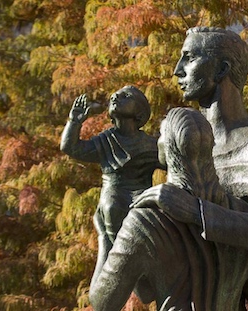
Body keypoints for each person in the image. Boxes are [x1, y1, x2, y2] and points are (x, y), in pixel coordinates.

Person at [132, 27, 248, 310]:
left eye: (189, 58)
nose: (178, 70)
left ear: (221, 69)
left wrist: (195, 212)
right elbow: (148, 290)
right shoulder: (187, 150)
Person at [90, 107, 248, 311]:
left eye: (160, 135)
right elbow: (146, 292)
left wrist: (106, 236)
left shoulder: (144, 220)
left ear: (166, 146)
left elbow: (103, 303)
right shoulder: (243, 215)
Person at [60, 85, 162, 286]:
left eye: (125, 96)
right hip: (115, 192)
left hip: (142, 191)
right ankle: (120, 266)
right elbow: (70, 147)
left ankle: (150, 269)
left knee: (157, 213)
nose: (116, 97)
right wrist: (74, 121)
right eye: (115, 95)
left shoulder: (151, 144)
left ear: (139, 113)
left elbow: (174, 165)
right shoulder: (107, 140)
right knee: (112, 208)